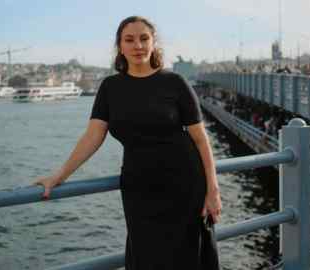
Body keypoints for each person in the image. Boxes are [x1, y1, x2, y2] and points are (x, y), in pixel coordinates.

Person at [33, 15, 222, 270]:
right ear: (120, 46)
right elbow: (93, 136)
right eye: (129, 40)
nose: (138, 46)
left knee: (185, 258)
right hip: (139, 188)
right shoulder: (111, 87)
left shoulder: (175, 83)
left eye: (144, 38)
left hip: (184, 185)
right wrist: (59, 175)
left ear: (154, 43)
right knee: (146, 257)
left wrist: (212, 191)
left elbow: (201, 140)